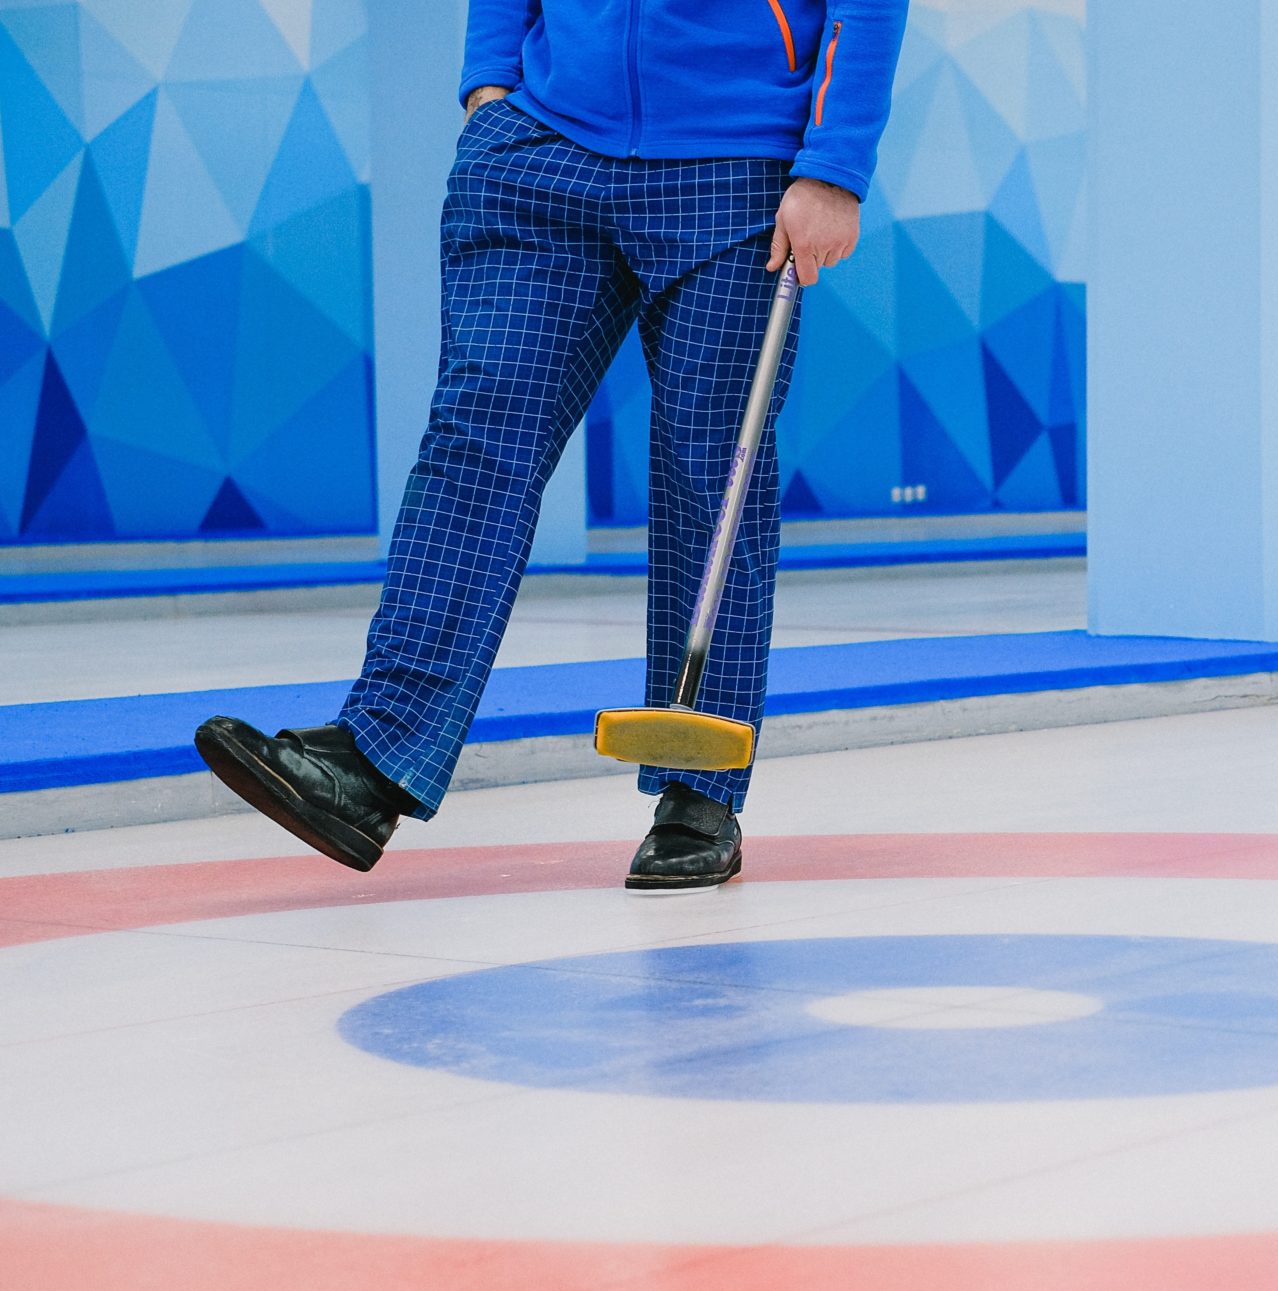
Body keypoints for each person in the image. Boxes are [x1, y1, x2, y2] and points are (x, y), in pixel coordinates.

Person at [195, 0, 911, 891]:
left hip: (736, 167)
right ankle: (374, 760)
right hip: (540, 149)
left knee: (710, 475)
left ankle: (699, 789)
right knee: (474, 443)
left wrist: (834, 165)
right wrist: (488, 90)